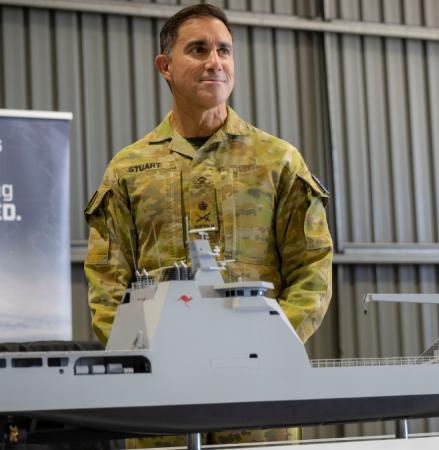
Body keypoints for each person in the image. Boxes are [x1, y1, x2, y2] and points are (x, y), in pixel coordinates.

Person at [83, 3, 333, 446]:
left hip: (260, 399)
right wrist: (143, 357)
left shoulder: (277, 160)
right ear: (165, 65)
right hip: (163, 401)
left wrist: (265, 347)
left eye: (224, 50)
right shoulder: (128, 168)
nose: (215, 62)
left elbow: (313, 269)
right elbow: (107, 283)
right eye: (198, 49)